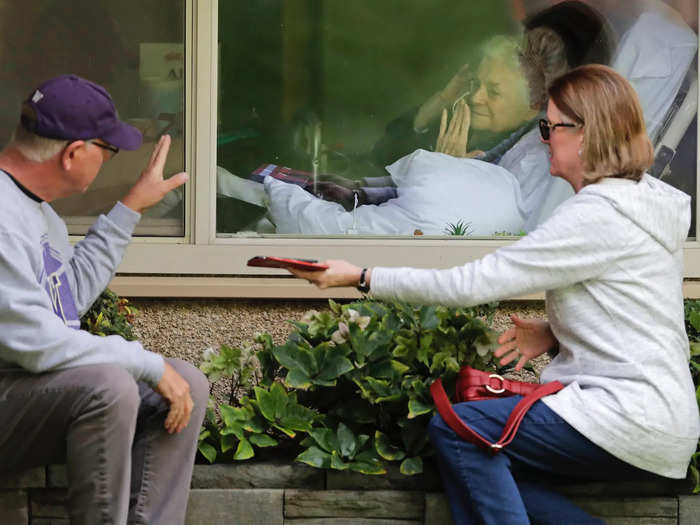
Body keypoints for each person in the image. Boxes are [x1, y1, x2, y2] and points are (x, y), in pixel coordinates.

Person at [285, 65, 700, 524]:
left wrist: (361, 276)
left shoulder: (597, 214)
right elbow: (637, 306)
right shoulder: (642, 204)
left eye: (551, 126)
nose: (544, 139)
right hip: (661, 417)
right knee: (481, 466)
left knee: (463, 432)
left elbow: (469, 285)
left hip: (625, 416)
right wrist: (556, 331)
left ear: (585, 135)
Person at [0, 75, 208, 525]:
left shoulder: (37, 211)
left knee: (185, 381)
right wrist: (147, 362)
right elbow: (37, 343)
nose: (110, 160)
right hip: (12, 389)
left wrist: (130, 207)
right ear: (74, 153)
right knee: (108, 386)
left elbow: (65, 301)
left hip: (23, 396)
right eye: (108, 150)